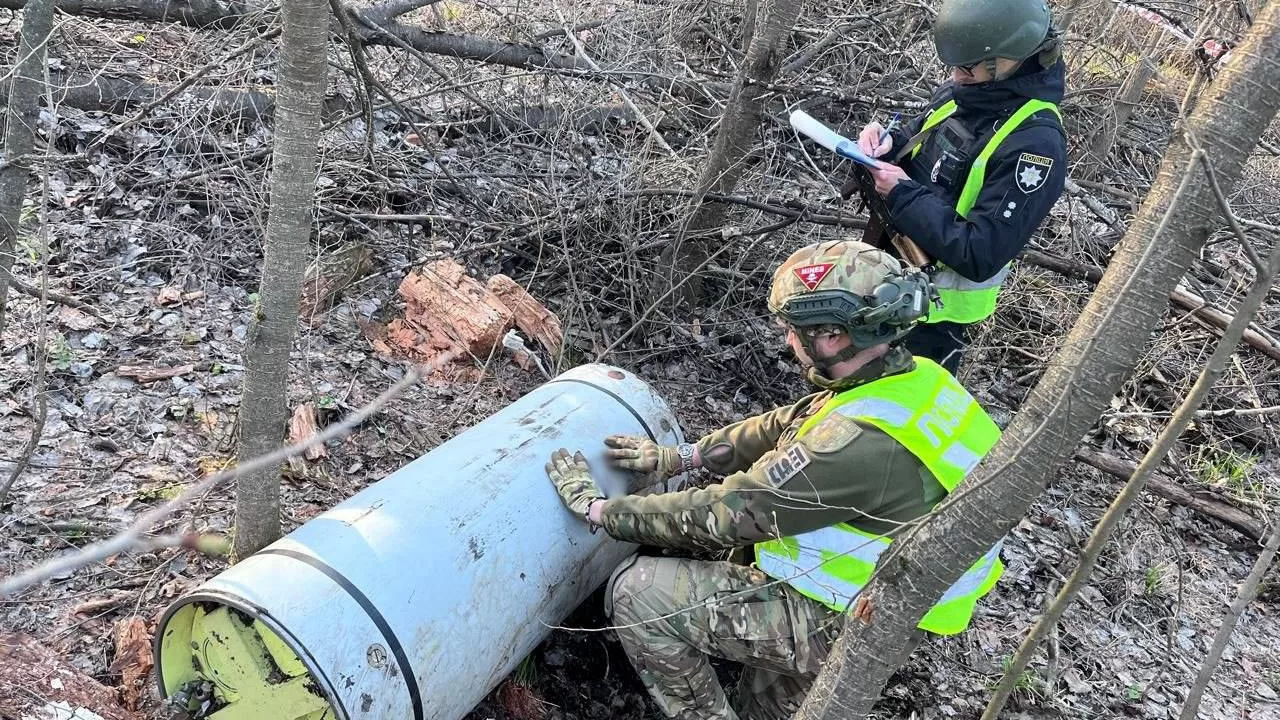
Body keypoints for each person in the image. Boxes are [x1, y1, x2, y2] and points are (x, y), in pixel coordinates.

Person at [545, 240, 1006, 720]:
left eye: (793, 330)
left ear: (832, 335)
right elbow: (787, 421)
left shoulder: (858, 445)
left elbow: (728, 514)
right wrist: (680, 457)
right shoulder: (912, 379)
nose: (787, 341)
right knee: (762, 704)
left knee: (638, 592)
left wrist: (600, 510)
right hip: (876, 592)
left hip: (855, 618)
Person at [852, 0, 1068, 373]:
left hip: (932, 321)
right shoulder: (964, 94)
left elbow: (980, 252)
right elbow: (920, 151)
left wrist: (902, 193)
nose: (955, 75)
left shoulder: (1035, 144)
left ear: (1008, 59)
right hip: (883, 279)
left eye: (966, 67)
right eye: (952, 65)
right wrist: (884, 144)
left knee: (892, 422)